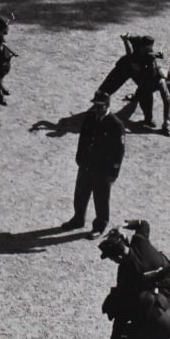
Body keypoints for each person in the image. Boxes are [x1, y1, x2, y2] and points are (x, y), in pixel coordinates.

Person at [98, 220, 170, 339]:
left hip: (154, 315)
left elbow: (122, 311)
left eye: (112, 257)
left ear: (119, 256)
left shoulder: (128, 271)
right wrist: (123, 225)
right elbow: (144, 225)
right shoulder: (141, 243)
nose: (113, 261)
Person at [62, 90, 125, 235]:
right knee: (80, 193)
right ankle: (78, 219)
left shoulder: (116, 124)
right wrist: (79, 157)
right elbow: (83, 137)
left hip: (103, 168)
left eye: (99, 106)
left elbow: (119, 151)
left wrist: (113, 172)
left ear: (107, 106)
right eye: (95, 105)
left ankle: (99, 226)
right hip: (87, 164)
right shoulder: (90, 117)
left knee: (101, 198)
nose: (96, 109)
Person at [99, 35, 170, 136]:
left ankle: (148, 118)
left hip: (143, 77)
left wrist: (167, 122)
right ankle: (100, 100)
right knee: (104, 91)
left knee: (145, 93)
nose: (149, 48)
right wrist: (126, 39)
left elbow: (168, 98)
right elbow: (130, 51)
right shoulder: (138, 44)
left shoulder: (158, 80)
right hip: (126, 67)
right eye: (147, 47)